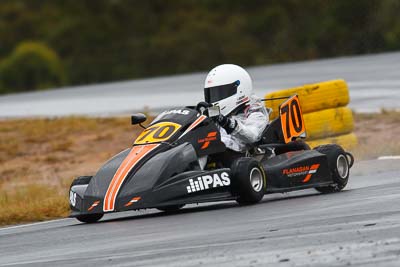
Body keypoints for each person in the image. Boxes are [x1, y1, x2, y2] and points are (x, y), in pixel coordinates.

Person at [204, 64, 270, 154]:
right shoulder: (216, 113)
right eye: (212, 94)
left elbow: (252, 136)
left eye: (220, 93)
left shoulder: (256, 112)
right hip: (214, 151)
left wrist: (227, 123)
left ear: (240, 90)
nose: (215, 98)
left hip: (240, 156)